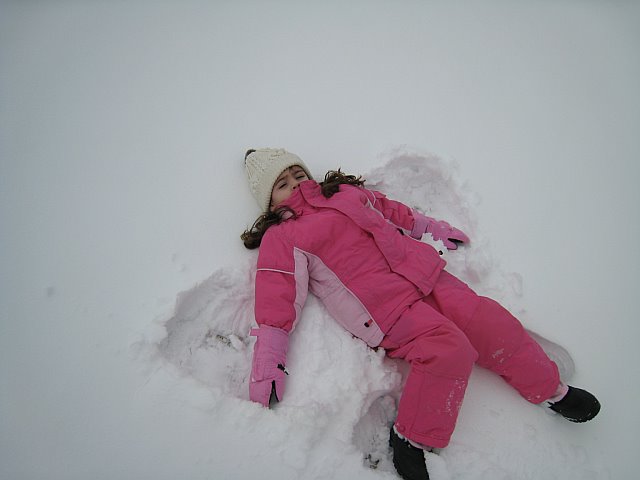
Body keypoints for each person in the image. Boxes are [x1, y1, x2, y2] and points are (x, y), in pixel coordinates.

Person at [241, 148, 600, 480]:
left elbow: (391, 211)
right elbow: (277, 295)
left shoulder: (346, 195)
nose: (296, 184)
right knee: (449, 350)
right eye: (282, 184)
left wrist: (431, 228)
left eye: (298, 174)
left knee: (491, 321)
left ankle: (552, 390)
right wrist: (269, 358)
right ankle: (411, 437)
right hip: (386, 310)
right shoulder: (283, 237)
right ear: (269, 203)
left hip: (427, 276)